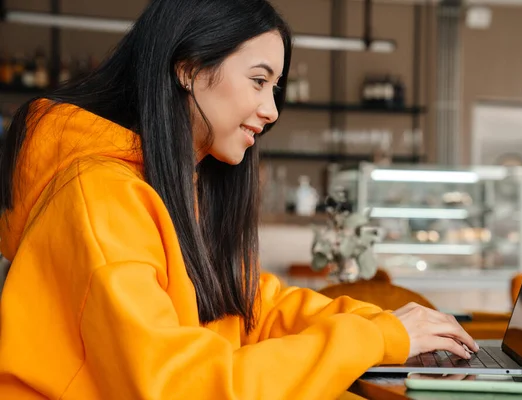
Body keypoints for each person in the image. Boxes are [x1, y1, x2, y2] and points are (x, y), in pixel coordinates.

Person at [0, 0, 477, 398]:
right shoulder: (101, 197)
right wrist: (377, 338)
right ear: (188, 68)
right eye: (258, 80)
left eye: (276, 87)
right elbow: (180, 389)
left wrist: (387, 327)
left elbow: (251, 307)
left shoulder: (175, 184)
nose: (271, 111)